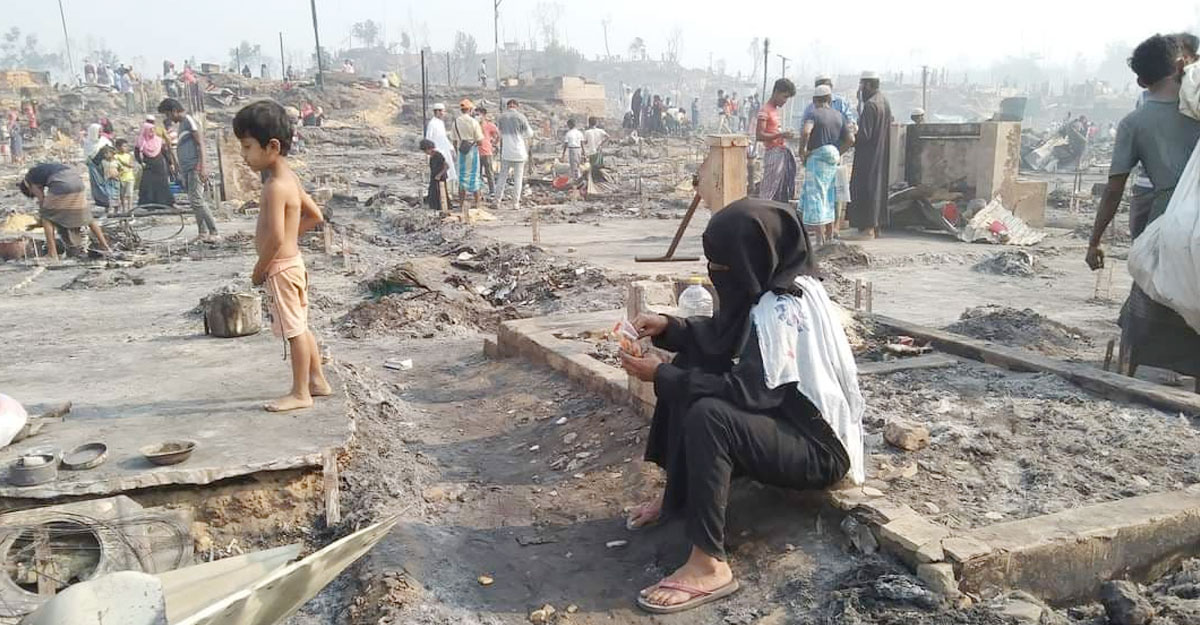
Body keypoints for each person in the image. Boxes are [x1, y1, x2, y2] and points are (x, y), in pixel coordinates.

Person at [620, 198, 863, 614]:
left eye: (723, 264)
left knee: (709, 414)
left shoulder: (783, 308)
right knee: (691, 365)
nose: (716, 272)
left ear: (752, 258)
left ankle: (709, 565)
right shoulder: (770, 285)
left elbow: (747, 393)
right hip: (785, 418)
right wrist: (669, 327)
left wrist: (660, 375)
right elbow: (722, 337)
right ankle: (678, 494)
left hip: (819, 448)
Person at [1087, 33, 1200, 378]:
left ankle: (1131, 372)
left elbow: (1113, 190)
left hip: (1165, 221)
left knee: (1151, 294)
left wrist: (1095, 241)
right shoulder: (1196, 110)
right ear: (1181, 65)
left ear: (1140, 82)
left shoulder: (1134, 123)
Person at [233, 100, 331, 412]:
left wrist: (259, 269)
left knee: (294, 331)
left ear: (272, 146)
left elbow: (276, 237)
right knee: (301, 325)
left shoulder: (274, 187)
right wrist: (291, 239)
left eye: (247, 147)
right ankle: (317, 380)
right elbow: (315, 215)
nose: (244, 155)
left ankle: (300, 393)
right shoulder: (291, 179)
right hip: (293, 264)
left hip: (280, 269)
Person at [19, 162, 112, 260]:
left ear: (28, 189)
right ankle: (105, 246)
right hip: (77, 182)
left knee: (47, 218)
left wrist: (41, 219)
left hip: (62, 183)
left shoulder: (30, 179)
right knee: (88, 217)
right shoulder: (40, 171)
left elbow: (42, 200)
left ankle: (52, 254)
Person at [160, 97, 218, 239]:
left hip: (194, 167)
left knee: (197, 199)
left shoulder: (189, 121)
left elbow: (201, 143)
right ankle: (202, 232)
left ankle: (214, 232)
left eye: (168, 114)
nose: (168, 118)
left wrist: (202, 166)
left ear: (174, 111)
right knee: (194, 201)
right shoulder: (182, 125)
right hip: (187, 168)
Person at [800, 85, 851, 245]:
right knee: (829, 196)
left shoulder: (813, 114)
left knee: (816, 197)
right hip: (832, 159)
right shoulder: (839, 116)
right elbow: (851, 139)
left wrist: (802, 151)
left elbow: (806, 131)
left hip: (817, 159)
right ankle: (829, 236)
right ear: (829, 99)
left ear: (814, 100)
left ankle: (819, 239)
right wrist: (838, 152)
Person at [847, 71, 893, 238]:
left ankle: (867, 229)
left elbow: (864, 135)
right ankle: (876, 226)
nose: (860, 90)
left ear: (867, 85)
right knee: (877, 189)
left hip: (868, 157)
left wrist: (852, 135)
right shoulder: (884, 101)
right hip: (881, 155)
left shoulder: (870, 105)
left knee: (865, 189)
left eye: (861, 85)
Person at [756, 78, 798, 202]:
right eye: (784, 97)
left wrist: (783, 135)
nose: (785, 101)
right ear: (776, 92)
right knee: (768, 191)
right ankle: (763, 211)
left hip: (780, 152)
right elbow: (759, 135)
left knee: (780, 190)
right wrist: (781, 134)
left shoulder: (774, 110)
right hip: (773, 153)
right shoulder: (765, 110)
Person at [495, 99, 533, 210]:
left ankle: (497, 201)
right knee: (518, 179)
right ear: (516, 106)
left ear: (508, 106)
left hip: (506, 152)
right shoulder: (521, 117)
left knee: (502, 178)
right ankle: (515, 203)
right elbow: (530, 134)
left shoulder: (501, 117)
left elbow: (498, 134)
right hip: (519, 153)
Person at [451, 99, 485, 210]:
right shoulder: (473, 122)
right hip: (472, 151)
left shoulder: (456, 122)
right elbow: (480, 141)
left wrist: (458, 151)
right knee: (474, 176)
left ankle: (461, 204)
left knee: (462, 177)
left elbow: (454, 140)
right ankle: (478, 203)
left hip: (461, 152)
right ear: (470, 109)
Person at [136, 117, 174, 207]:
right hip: (148, 165)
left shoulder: (158, 140)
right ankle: (148, 203)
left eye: (153, 130)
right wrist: (140, 162)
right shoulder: (141, 141)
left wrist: (171, 163)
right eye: (150, 130)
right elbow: (136, 153)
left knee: (161, 183)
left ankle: (164, 202)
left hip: (159, 165)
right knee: (148, 184)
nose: (152, 131)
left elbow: (164, 152)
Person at [425, 103, 457, 190]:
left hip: (444, 151)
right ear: (437, 111)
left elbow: (443, 138)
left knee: (447, 173)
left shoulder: (440, 123)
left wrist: (451, 148)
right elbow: (429, 139)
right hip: (437, 153)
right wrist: (429, 153)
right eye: (442, 111)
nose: (443, 113)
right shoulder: (432, 124)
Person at [83, 123, 114, 211]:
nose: (100, 134)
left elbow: (111, 151)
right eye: (99, 132)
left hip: (105, 165)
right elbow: (87, 156)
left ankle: (109, 203)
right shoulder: (88, 143)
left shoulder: (105, 141)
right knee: (97, 184)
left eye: (101, 131)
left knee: (108, 183)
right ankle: (102, 202)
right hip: (94, 167)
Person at [421, 139, 449, 211]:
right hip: (434, 177)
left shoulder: (438, 155)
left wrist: (439, 175)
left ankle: (442, 208)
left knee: (440, 194)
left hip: (440, 178)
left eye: (426, 150)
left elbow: (446, 166)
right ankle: (434, 207)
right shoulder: (431, 157)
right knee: (432, 193)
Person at [477, 107, 500, 195]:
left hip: (486, 151)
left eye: (478, 114)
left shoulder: (489, 125)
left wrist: (494, 143)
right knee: (477, 173)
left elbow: (498, 134)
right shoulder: (474, 125)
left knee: (489, 172)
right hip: (476, 152)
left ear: (483, 115)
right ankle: (478, 191)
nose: (477, 116)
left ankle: (492, 191)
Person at [114, 139, 137, 214]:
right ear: (118, 147)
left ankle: (130, 208)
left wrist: (123, 163)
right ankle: (124, 208)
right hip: (121, 178)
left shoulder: (129, 155)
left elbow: (131, 165)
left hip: (129, 177)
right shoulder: (115, 156)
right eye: (124, 146)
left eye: (126, 146)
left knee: (130, 194)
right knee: (122, 195)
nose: (125, 148)